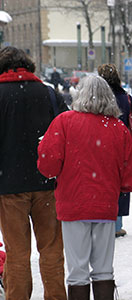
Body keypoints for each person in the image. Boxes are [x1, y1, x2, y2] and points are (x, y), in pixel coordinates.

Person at [37, 75, 132, 299]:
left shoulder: (64, 122)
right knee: (104, 269)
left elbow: (48, 166)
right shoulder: (117, 128)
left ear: (80, 95)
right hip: (105, 208)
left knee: (77, 271)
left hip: (73, 207)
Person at [0, 46, 68, 300]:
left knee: (16, 253)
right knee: (51, 250)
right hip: (47, 183)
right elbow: (65, 136)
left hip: (8, 186)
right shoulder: (48, 94)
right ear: (29, 66)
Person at [97, 63, 132, 238]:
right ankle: (117, 224)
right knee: (120, 184)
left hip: (97, 147)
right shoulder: (126, 98)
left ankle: (101, 223)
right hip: (120, 147)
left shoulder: (95, 100)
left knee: (101, 183)